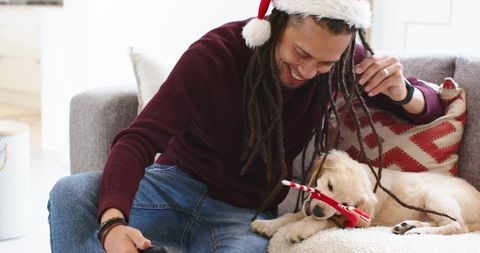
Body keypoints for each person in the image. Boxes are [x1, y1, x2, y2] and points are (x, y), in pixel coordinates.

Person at [48, 0, 445, 252]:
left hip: (242, 215)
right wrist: (114, 223)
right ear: (273, 21)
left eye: (324, 64)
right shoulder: (216, 54)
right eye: (300, 53)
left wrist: (401, 90)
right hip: (169, 187)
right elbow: (139, 138)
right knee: (71, 192)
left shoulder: (340, 62)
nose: (308, 72)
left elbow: (428, 108)